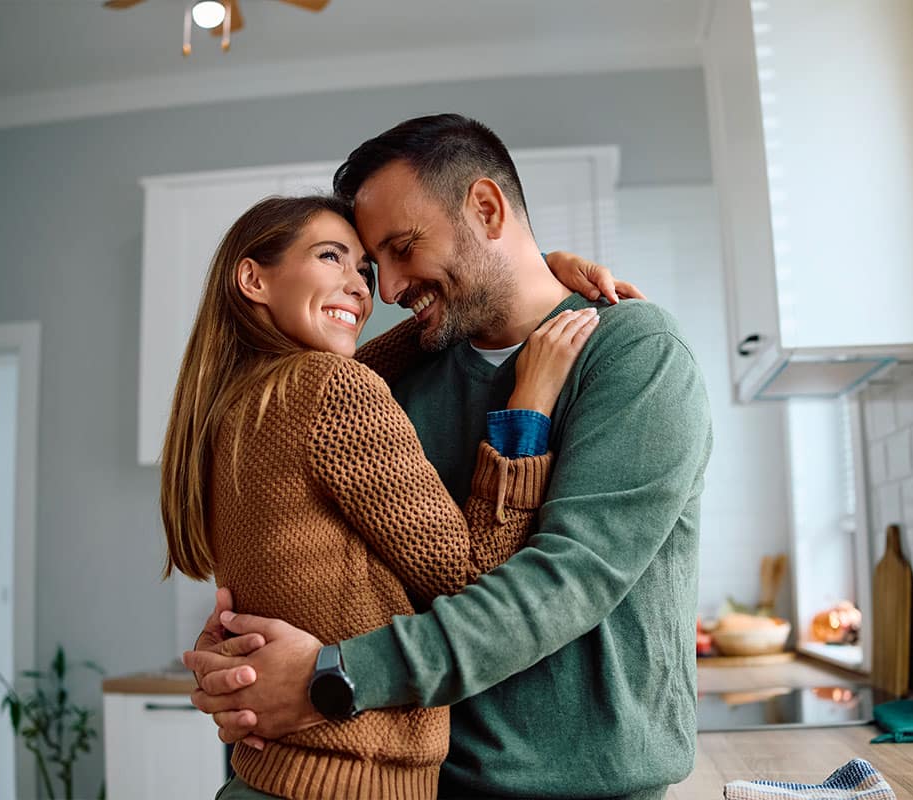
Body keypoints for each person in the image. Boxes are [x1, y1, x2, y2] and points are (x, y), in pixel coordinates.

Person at [186, 114, 714, 800]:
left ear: (487, 209)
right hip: (423, 781)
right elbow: (344, 566)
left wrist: (334, 676)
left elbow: (565, 583)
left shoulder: (637, 355)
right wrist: (244, 653)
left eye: (403, 249)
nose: (390, 289)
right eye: (376, 264)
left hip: (589, 786)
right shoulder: (396, 375)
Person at [160, 193, 619, 799]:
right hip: (355, 783)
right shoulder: (331, 389)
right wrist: (526, 409)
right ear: (253, 278)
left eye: (365, 271)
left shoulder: (233, 407)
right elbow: (471, 577)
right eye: (332, 257)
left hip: (268, 779)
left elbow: (368, 366)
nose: (360, 287)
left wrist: (528, 279)